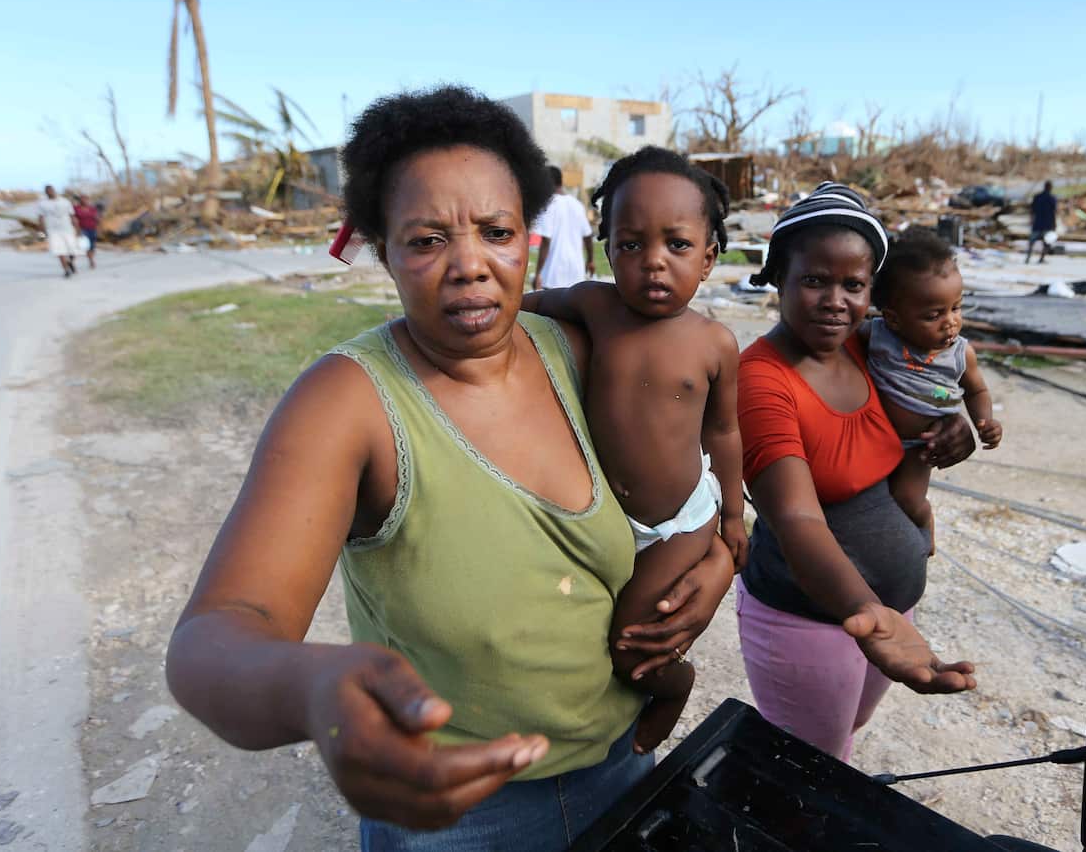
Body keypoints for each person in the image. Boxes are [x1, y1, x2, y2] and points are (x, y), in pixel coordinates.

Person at [165, 86, 734, 851]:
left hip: (624, 763)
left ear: (526, 239)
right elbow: (214, 638)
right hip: (462, 818)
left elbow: (695, 462)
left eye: (495, 232)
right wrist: (315, 691)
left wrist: (726, 555)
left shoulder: (579, 350)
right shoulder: (349, 402)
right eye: (428, 240)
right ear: (381, 247)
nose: (470, 266)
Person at [735, 182, 978, 764]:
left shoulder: (868, 349)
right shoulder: (762, 380)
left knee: (848, 729)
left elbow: (933, 394)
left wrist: (955, 429)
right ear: (778, 280)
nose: (835, 301)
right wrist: (870, 618)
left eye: (854, 284)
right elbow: (795, 517)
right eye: (814, 280)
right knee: (813, 769)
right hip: (811, 618)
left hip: (888, 608)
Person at [523, 146, 748, 755]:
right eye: (630, 244)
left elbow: (724, 433)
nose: (652, 262)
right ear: (607, 249)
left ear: (708, 258)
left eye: (676, 245)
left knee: (635, 645)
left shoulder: (715, 343)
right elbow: (529, 304)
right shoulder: (596, 305)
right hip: (603, 520)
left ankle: (674, 688)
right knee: (575, 633)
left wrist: (732, 518)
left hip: (678, 524)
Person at [865, 229, 1002, 540]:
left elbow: (977, 390)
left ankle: (924, 521)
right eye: (933, 315)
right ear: (894, 318)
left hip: (921, 447)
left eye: (956, 307)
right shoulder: (877, 336)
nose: (950, 321)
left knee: (907, 499)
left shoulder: (959, 353)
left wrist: (985, 421)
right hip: (874, 437)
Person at [531, 165, 595, 290]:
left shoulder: (549, 205)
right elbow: (588, 236)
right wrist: (590, 260)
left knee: (549, 310)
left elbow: (545, 241)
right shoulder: (577, 205)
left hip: (553, 276)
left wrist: (538, 273)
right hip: (576, 276)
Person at [35, 185, 79, 277]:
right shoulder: (43, 204)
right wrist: (41, 234)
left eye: (51, 190)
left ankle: (70, 262)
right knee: (59, 250)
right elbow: (40, 219)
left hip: (67, 228)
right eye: (47, 191)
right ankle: (66, 270)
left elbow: (72, 215)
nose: (50, 192)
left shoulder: (65, 201)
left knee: (73, 250)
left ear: (54, 190)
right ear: (46, 192)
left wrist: (77, 228)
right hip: (53, 230)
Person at [1028, 181, 1056, 264]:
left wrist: (1031, 220)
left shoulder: (1037, 197)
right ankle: (1041, 258)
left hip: (1037, 222)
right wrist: (1054, 224)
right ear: (1050, 188)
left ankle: (1028, 257)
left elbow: (1032, 210)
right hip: (1048, 223)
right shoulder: (1052, 198)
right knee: (1047, 241)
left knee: (1032, 241)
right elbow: (1054, 211)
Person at [73, 194, 99, 270]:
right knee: (83, 246)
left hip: (92, 228)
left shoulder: (92, 208)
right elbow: (74, 219)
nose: (84, 201)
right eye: (82, 199)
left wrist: (98, 225)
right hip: (82, 229)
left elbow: (96, 218)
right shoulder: (76, 208)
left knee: (92, 246)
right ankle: (71, 262)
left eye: (86, 199)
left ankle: (91, 260)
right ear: (79, 200)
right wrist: (77, 229)